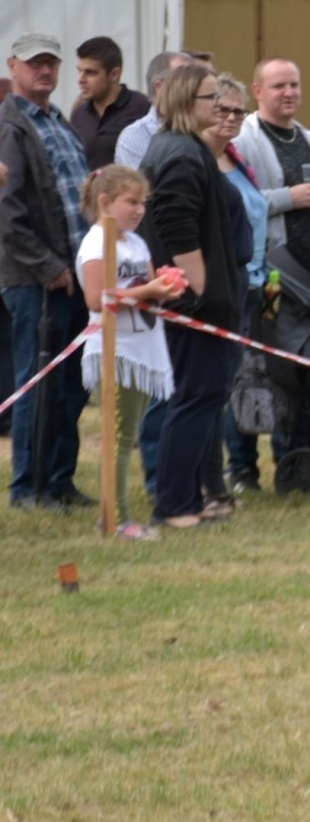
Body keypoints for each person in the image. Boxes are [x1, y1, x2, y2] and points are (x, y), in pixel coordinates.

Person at [139, 63, 245, 528]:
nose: (219, 105)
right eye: (210, 97)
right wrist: (199, 285)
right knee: (194, 398)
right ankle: (175, 504)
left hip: (203, 298)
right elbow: (174, 220)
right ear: (186, 102)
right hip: (195, 301)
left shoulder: (185, 146)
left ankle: (192, 497)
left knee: (201, 397)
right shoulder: (180, 153)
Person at [1, 32, 94, 510]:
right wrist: (50, 267)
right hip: (37, 280)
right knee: (36, 384)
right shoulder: (10, 128)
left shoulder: (59, 120)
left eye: (51, 63)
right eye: (35, 62)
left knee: (70, 387)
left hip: (75, 277)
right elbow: (8, 215)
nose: (44, 70)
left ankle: (59, 480)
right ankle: (27, 488)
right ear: (13, 66)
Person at [75, 165, 179, 539]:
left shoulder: (136, 242)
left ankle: (117, 515)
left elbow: (147, 285)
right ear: (105, 202)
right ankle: (116, 518)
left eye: (142, 202)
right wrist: (149, 291)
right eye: (131, 202)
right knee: (119, 437)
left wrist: (164, 286)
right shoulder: (96, 243)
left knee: (127, 433)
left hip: (142, 344)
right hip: (117, 349)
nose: (139, 210)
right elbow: (96, 299)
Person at [206, 75, 273, 496]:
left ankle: (243, 468)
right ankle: (220, 473)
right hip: (221, 288)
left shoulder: (236, 157)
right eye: (222, 110)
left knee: (245, 379)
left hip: (254, 283)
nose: (231, 118)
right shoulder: (200, 160)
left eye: (237, 111)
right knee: (221, 383)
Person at [235, 57, 310, 287]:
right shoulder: (242, 141)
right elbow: (236, 203)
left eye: (294, 85)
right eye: (279, 86)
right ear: (257, 91)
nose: (289, 93)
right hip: (274, 276)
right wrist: (288, 198)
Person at [70, 36, 150, 170]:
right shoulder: (78, 116)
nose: (81, 79)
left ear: (114, 74)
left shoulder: (142, 108)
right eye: (79, 71)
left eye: (90, 73)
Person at [113, 51, 190, 168]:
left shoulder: (203, 127)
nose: (193, 88)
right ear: (159, 87)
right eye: (184, 82)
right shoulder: (135, 137)